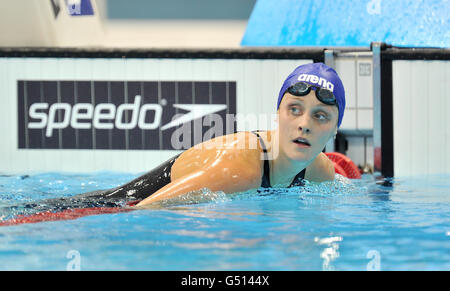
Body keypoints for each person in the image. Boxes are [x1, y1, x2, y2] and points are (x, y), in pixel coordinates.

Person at [63, 62, 345, 208]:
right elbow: (140, 211)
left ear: (335, 128)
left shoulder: (321, 171)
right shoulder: (239, 170)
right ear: (277, 114)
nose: (304, 124)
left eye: (320, 115)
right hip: (117, 204)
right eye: (294, 109)